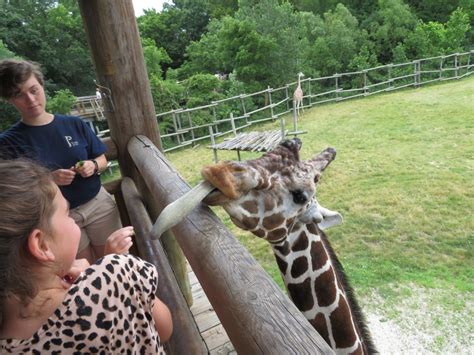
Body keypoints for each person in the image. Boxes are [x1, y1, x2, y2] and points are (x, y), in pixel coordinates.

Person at [0, 158, 173, 353]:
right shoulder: (118, 273)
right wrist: (106, 269)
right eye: (67, 213)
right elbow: (164, 329)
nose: (74, 219)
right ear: (41, 245)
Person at [0, 59, 121, 263]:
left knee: (117, 263)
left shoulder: (73, 123)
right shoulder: (8, 142)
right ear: (9, 100)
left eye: (34, 90)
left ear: (42, 85)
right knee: (83, 274)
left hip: (99, 205)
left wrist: (93, 166)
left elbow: (101, 158)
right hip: (56, 219)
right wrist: (47, 179)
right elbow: (12, 191)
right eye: (18, 94)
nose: (30, 99)